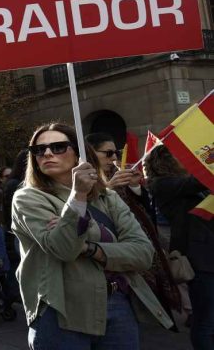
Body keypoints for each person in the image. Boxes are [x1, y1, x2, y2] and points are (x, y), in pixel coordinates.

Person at [12, 123, 173, 348]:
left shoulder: (108, 198)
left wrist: (90, 248)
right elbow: (64, 248)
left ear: (80, 154)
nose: (47, 153)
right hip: (61, 310)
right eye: (39, 150)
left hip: (117, 303)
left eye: (58, 147)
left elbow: (143, 253)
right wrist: (77, 196)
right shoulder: (27, 199)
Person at [89, 133, 182, 323]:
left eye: (116, 152)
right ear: (91, 153)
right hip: (115, 251)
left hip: (142, 242)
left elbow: (144, 208)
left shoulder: (115, 172)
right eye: (108, 153)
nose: (114, 158)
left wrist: (135, 187)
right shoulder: (86, 179)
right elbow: (87, 212)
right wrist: (108, 188)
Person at [146, 144, 213, 348]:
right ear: (165, 161)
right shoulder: (161, 184)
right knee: (206, 320)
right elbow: (198, 181)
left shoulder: (178, 183)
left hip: (208, 252)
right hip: (199, 257)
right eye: (181, 156)